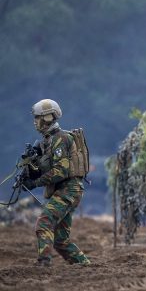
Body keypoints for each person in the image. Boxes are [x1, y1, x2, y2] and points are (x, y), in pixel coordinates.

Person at [20, 99, 90, 267]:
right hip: (67, 190)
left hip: (69, 190)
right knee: (60, 241)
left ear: (48, 117)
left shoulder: (61, 139)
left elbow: (61, 171)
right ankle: (86, 267)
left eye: (38, 117)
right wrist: (30, 172)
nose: (35, 121)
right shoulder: (47, 142)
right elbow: (48, 169)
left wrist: (35, 183)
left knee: (44, 223)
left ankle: (44, 263)